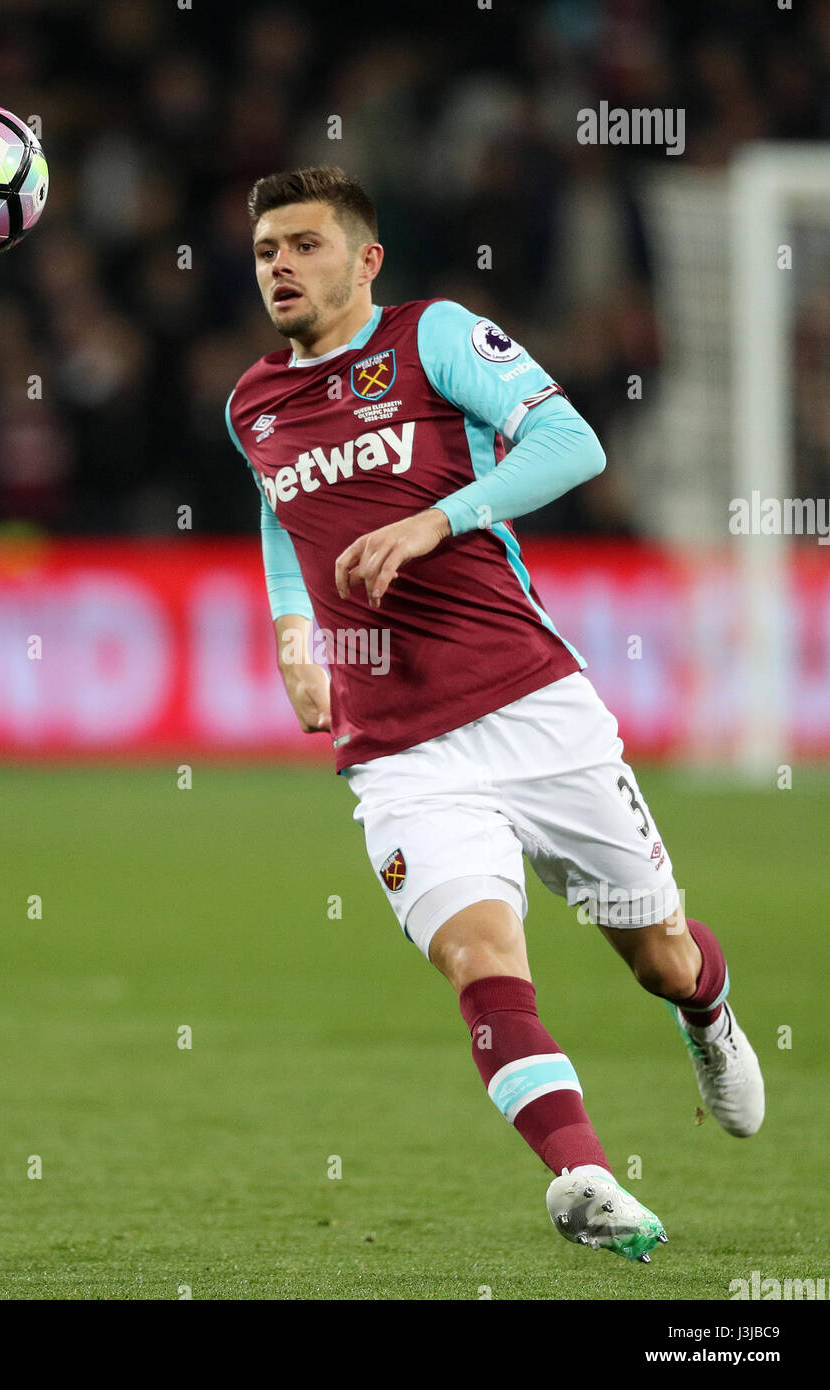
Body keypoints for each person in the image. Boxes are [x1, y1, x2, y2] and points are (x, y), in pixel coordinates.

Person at [225, 166, 764, 1262]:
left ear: (365, 259)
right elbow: (283, 521)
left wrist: (438, 521)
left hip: (530, 704)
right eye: (266, 248)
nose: (280, 265)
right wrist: (295, 640)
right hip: (396, 750)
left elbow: (573, 445)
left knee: (658, 954)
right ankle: (585, 1175)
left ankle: (706, 1015)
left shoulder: (431, 338)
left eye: (304, 245)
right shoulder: (252, 403)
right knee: (481, 959)